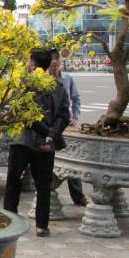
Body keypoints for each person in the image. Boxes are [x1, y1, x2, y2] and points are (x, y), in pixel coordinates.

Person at [3, 48, 71, 237]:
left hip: (23, 141)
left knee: (14, 182)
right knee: (43, 186)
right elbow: (64, 115)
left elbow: (26, 115)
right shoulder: (57, 85)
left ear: (32, 63)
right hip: (45, 144)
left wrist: (47, 133)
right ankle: (42, 225)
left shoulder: (25, 85)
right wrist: (51, 134)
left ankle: (10, 220)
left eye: (28, 60)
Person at [49, 48, 86, 206]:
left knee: (71, 160)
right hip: (49, 125)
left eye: (57, 58)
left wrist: (75, 116)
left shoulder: (67, 79)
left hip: (64, 124)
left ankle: (78, 196)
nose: (55, 61)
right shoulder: (42, 79)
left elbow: (76, 98)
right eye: (51, 59)